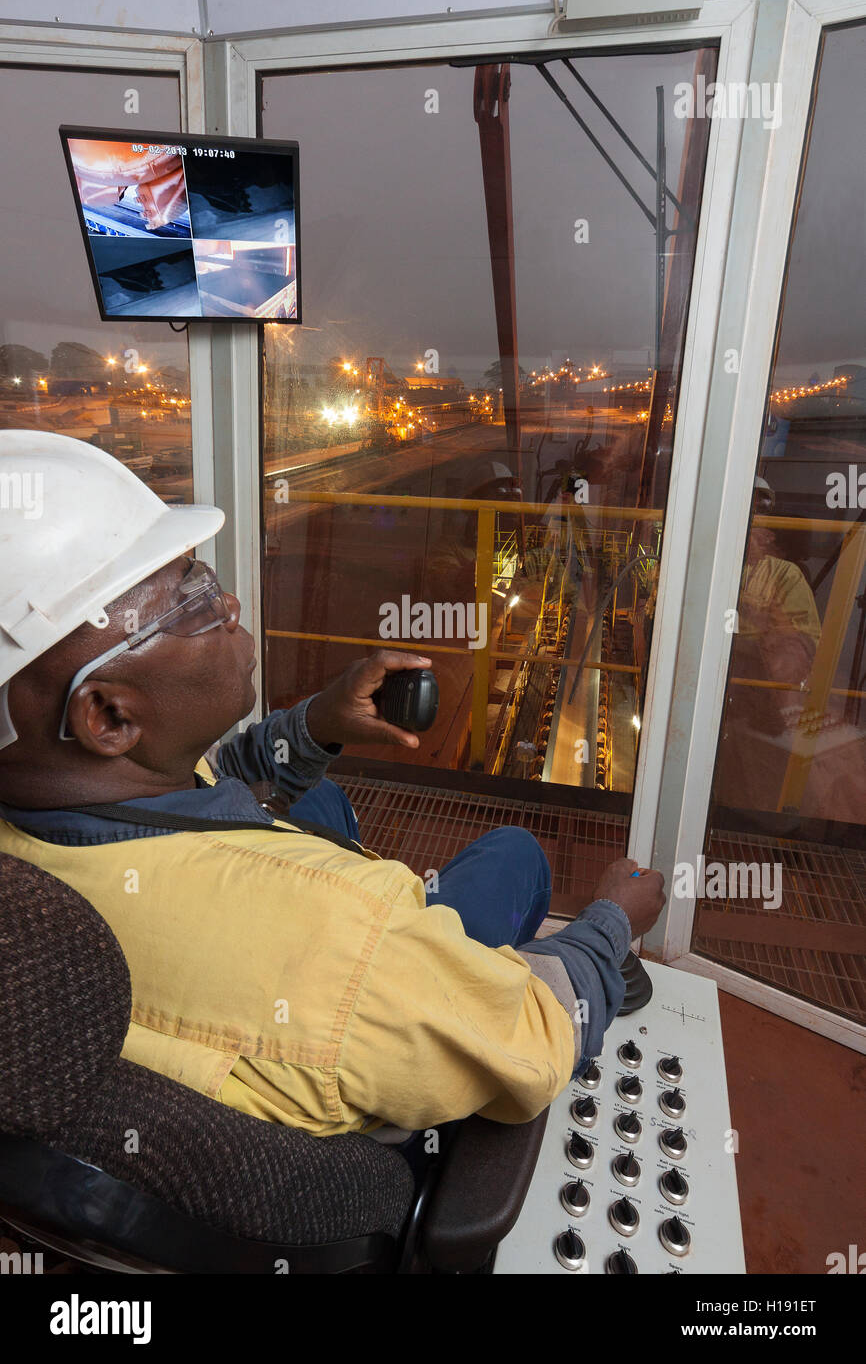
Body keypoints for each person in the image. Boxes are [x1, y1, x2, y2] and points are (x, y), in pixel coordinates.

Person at [0, 429, 665, 1137]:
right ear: (106, 714)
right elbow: (533, 1037)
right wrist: (610, 924)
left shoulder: (42, 829)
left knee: (318, 799)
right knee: (515, 856)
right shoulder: (350, 927)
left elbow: (209, 790)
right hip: (349, 990)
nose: (227, 606)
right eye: (188, 601)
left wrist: (317, 723)